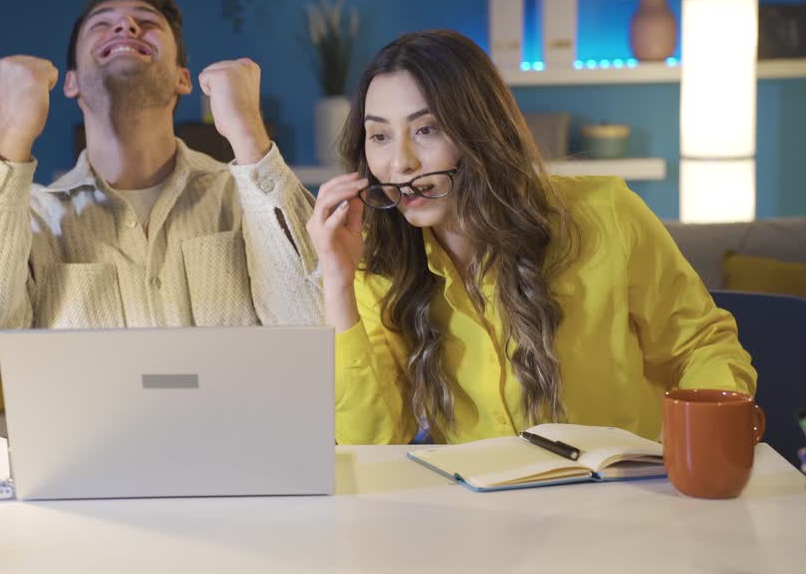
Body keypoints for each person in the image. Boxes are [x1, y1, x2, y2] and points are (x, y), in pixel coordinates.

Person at [306, 29, 756, 445]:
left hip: (624, 501)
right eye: (379, 136)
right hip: (480, 520)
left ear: (479, 131)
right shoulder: (378, 264)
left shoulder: (605, 215)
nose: (400, 163)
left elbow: (701, 345)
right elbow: (371, 443)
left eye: (426, 129)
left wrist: (700, 447)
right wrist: (338, 283)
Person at [0, 0, 322, 362]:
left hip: (236, 439)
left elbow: (315, 319)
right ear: (70, 82)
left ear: (184, 78)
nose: (126, 26)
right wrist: (10, 133)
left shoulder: (239, 200)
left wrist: (250, 134)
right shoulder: (34, 220)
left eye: (146, 23)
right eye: (102, 23)